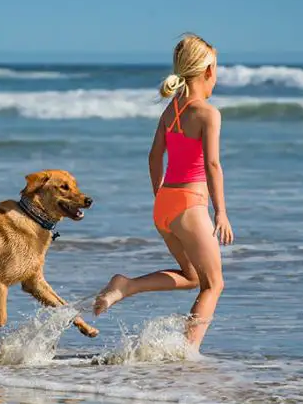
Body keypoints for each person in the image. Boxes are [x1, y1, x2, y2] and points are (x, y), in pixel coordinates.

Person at [93, 33, 233, 348]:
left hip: (165, 204)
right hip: (190, 206)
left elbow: (154, 156)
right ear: (208, 71)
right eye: (217, 69)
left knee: (193, 277)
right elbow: (212, 165)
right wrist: (221, 212)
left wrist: (161, 197)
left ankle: (126, 285)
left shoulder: (172, 111)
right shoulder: (208, 113)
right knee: (213, 284)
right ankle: (188, 352)